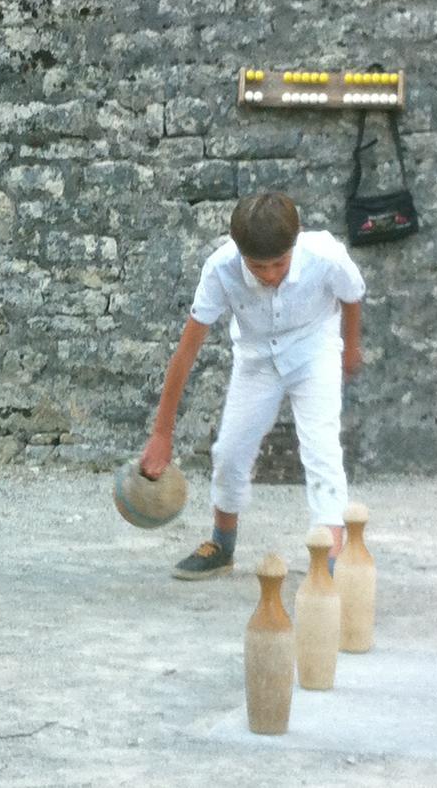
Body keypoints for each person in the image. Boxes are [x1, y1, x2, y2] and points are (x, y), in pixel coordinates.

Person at [140, 192, 365, 579]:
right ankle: (222, 545)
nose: (271, 274)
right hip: (257, 359)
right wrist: (162, 433)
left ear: (296, 243)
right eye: (259, 266)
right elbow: (186, 352)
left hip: (315, 352)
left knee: (322, 449)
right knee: (228, 452)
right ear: (240, 253)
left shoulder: (325, 254)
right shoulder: (220, 269)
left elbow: (353, 295)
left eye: (280, 263)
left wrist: (351, 347)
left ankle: (330, 558)